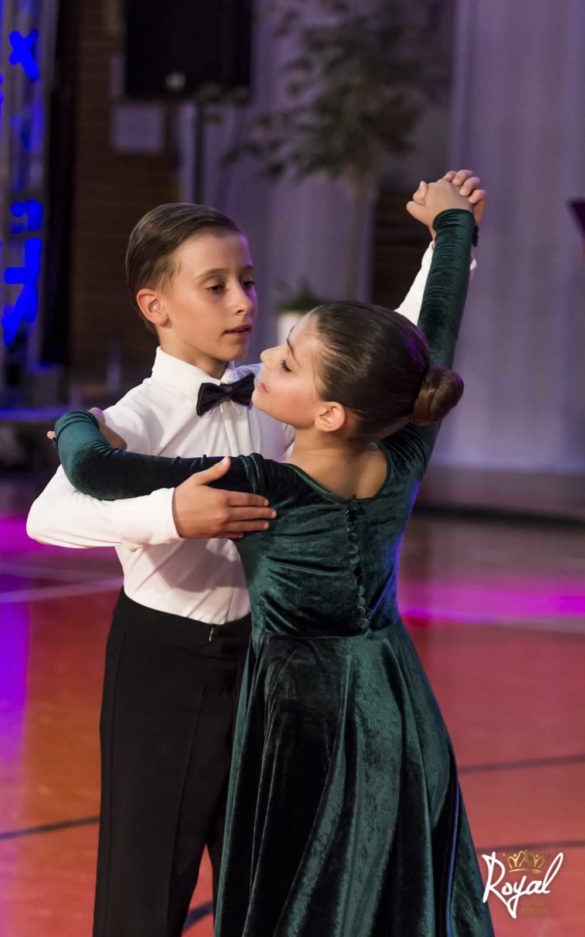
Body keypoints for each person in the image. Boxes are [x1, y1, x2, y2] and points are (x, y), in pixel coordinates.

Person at [51, 179, 494, 936]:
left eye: (248, 282)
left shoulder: (277, 430)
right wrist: (171, 514)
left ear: (330, 408)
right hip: (192, 668)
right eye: (216, 286)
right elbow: (50, 512)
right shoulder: (144, 414)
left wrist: (70, 424)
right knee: (157, 885)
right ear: (156, 305)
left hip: (276, 692)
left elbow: (394, 354)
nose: (246, 309)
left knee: (280, 883)